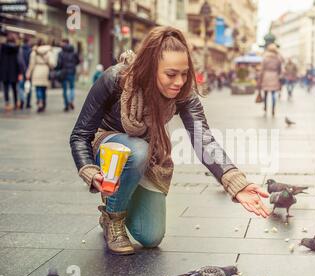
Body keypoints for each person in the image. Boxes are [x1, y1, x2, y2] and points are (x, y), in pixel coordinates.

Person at [69, 26, 270, 256]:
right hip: (108, 149)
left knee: (151, 236)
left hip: (145, 154)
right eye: (171, 74)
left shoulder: (184, 93)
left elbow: (203, 138)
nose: (179, 81)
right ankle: (112, 218)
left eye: (185, 74)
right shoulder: (116, 78)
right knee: (137, 150)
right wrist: (90, 171)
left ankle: (126, 190)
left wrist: (236, 183)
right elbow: (80, 134)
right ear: (150, 68)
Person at [26, 39, 55, 113]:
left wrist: (29, 72)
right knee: (44, 89)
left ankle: (40, 101)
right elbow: (52, 64)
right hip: (45, 70)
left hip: (37, 70)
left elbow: (31, 64)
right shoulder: (49, 52)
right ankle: (43, 103)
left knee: (38, 88)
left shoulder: (34, 52)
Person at [257, 43, 283, 116]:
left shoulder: (265, 58)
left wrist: (260, 78)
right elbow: (280, 69)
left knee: (265, 94)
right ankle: (273, 109)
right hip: (275, 76)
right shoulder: (278, 58)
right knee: (273, 94)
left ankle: (265, 107)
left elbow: (262, 69)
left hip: (266, 76)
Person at [56, 39, 80, 112]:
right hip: (71, 72)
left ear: (64, 43)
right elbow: (78, 61)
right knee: (72, 88)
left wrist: (58, 69)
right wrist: (73, 65)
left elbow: (59, 64)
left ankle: (66, 104)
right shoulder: (74, 52)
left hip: (64, 72)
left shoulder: (61, 53)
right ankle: (71, 101)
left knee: (65, 89)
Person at [0, 33, 20, 111]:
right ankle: (15, 103)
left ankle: (7, 103)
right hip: (13, 70)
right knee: (14, 88)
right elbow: (19, 60)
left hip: (4, 70)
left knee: (6, 88)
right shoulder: (16, 48)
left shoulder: (3, 47)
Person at [17, 37, 33, 109]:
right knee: (28, 87)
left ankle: (22, 100)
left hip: (21, 71)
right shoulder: (31, 50)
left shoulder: (20, 50)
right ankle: (28, 103)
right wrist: (28, 70)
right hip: (29, 71)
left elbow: (19, 61)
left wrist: (22, 70)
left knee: (21, 87)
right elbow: (31, 62)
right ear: (28, 41)